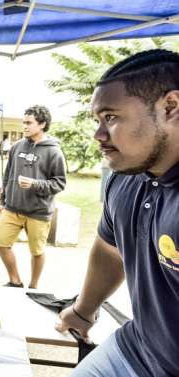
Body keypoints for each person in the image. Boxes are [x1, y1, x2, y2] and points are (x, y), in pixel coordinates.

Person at [56, 49, 179, 377]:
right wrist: (83, 311)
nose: (98, 135)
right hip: (135, 349)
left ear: (170, 107)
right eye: (97, 120)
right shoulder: (124, 181)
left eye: (110, 117)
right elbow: (110, 251)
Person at [0, 105, 66, 289]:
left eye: (28, 123)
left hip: (38, 212)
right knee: (0, 243)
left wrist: (34, 184)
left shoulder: (53, 151)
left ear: (42, 124)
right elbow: (8, 176)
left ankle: (33, 286)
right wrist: (2, 201)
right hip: (12, 208)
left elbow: (60, 183)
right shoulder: (17, 146)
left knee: (37, 252)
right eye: (23, 122)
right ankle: (15, 281)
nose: (24, 126)